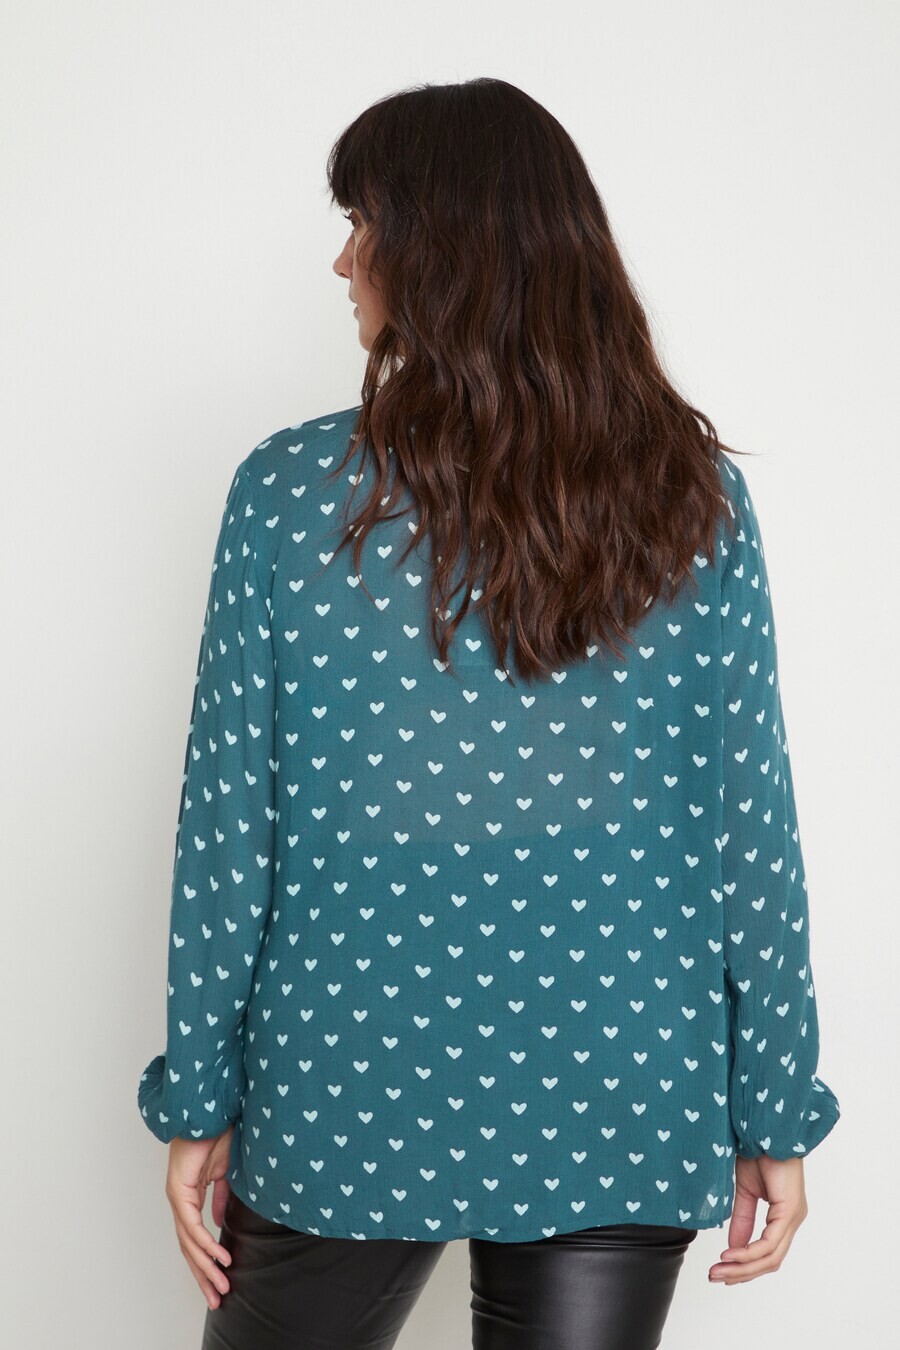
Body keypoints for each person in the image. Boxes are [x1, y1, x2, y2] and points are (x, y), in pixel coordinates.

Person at [136, 77, 841, 1349]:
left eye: (363, 224)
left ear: (439, 250)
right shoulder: (689, 496)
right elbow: (748, 828)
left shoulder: (290, 494)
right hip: (619, 1067)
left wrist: (200, 1094)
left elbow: (232, 829)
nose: (343, 261)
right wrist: (774, 1106)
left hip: (352, 1074)